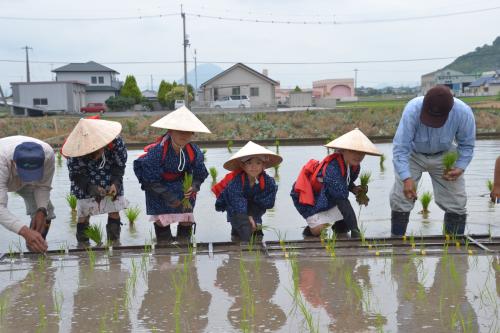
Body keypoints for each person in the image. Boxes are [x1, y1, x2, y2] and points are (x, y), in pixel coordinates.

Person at [391, 85, 475, 236]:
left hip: (445, 155)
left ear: (449, 111)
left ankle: (453, 247)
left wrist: (460, 167)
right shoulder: (412, 109)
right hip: (413, 154)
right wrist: (406, 177)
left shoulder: (463, 112)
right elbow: (400, 147)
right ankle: (397, 243)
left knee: (457, 202)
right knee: (401, 198)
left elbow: (467, 145)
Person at [134, 106, 210, 242]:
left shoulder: (194, 150)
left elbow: (200, 173)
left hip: (181, 186)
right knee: (162, 220)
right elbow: (150, 180)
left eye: (188, 132)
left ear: (192, 134)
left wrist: (194, 186)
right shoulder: (158, 151)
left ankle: (184, 247)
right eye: (179, 131)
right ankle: (164, 249)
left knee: (186, 216)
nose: (184, 135)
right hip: (158, 187)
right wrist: (169, 196)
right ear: (170, 131)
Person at [291, 128, 382, 238]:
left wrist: (354, 189)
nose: (358, 156)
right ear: (343, 150)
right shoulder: (332, 168)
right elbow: (342, 199)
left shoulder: (354, 166)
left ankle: (339, 230)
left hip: (327, 196)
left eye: (362, 152)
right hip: (308, 196)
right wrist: (356, 231)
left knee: (343, 227)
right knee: (317, 231)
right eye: (353, 151)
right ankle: (310, 232)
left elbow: (345, 182)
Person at [63, 118, 128, 243]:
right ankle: (83, 247)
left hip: (110, 174)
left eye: (95, 150)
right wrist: (91, 188)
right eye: (89, 153)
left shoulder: (115, 142)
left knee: (114, 210)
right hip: (85, 178)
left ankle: (114, 244)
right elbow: (76, 174)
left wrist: (115, 183)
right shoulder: (75, 150)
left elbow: (119, 166)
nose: (94, 155)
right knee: (83, 214)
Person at [212, 141, 281, 241]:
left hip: (256, 209)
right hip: (236, 210)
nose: (254, 167)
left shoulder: (269, 182)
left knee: (257, 234)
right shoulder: (235, 182)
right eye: (249, 163)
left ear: (263, 165)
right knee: (243, 231)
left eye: (258, 163)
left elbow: (268, 203)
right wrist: (247, 217)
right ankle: (237, 244)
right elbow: (237, 203)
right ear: (243, 166)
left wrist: (253, 215)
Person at [0, 136, 55, 252]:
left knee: (47, 212)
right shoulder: (2, 161)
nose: (30, 178)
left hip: (24, 183)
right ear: (13, 162)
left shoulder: (48, 155)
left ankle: (35, 251)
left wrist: (41, 210)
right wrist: (25, 231)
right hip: (5, 174)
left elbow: (43, 186)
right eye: (26, 174)